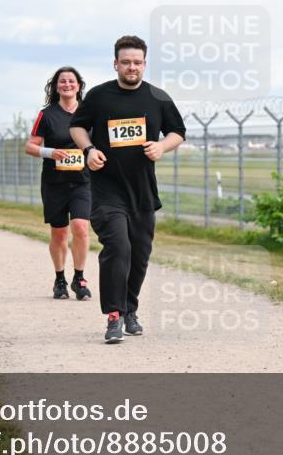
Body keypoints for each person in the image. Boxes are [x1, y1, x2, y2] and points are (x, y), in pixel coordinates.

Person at [69, 35, 186, 343]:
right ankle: (113, 315)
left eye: (137, 62)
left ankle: (130, 309)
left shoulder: (158, 97)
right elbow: (77, 126)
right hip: (107, 189)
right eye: (126, 62)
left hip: (143, 191)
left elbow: (178, 132)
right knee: (118, 248)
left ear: (144, 64)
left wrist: (162, 146)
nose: (131, 67)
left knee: (139, 255)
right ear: (116, 64)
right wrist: (89, 150)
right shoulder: (98, 96)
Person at [26, 66, 93, 301]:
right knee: (59, 233)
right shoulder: (47, 115)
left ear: (79, 85)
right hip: (55, 182)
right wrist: (50, 152)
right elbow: (30, 146)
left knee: (81, 228)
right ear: (56, 86)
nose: (67, 85)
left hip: (83, 181)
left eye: (71, 81)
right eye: (62, 81)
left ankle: (80, 278)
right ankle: (60, 279)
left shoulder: (88, 112)